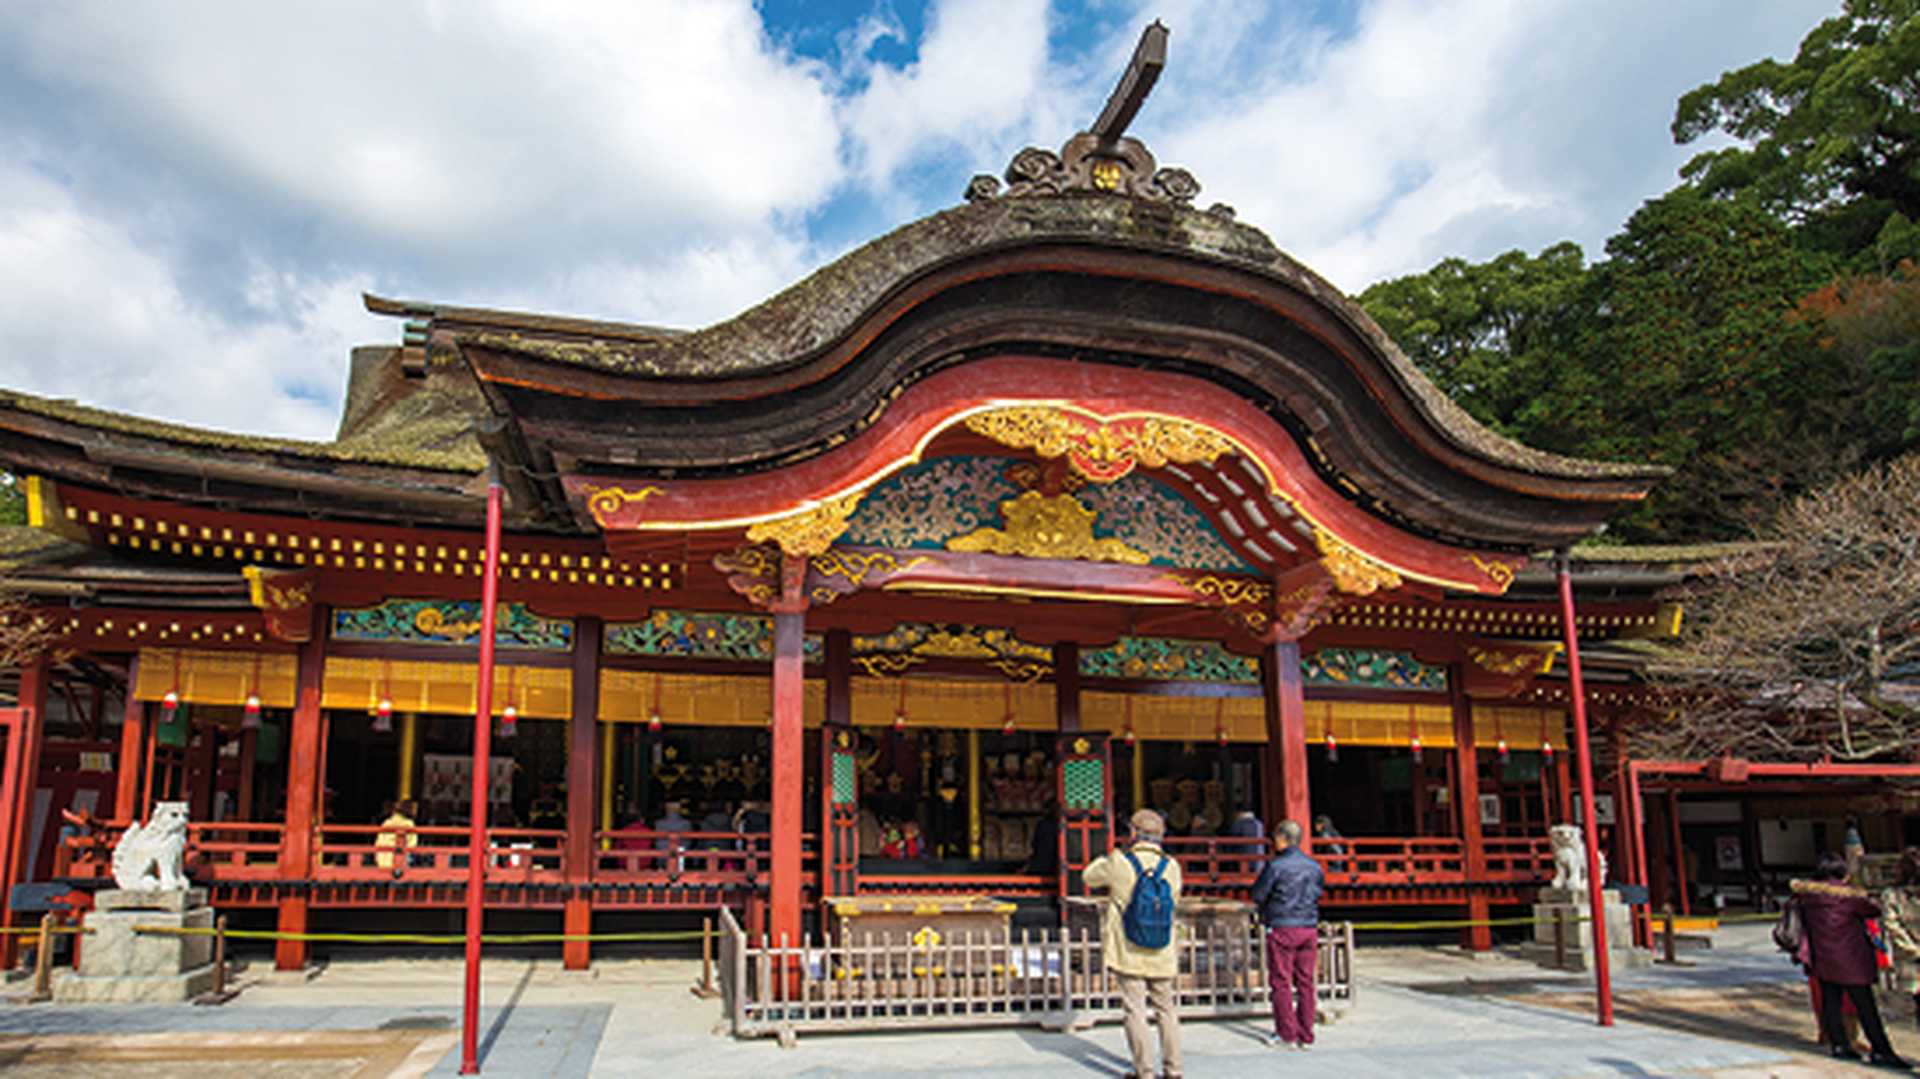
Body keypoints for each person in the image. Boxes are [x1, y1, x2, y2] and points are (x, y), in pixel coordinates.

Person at [1084, 809, 1184, 1079]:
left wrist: (1108, 856)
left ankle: (1145, 1070)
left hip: (1128, 947)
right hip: (1161, 947)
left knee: (1135, 1010)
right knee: (1166, 1009)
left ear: (1132, 834)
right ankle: (1174, 1069)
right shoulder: (1172, 866)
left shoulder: (1120, 862)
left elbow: (1089, 877)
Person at [1793, 851, 1908, 1065]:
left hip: (1822, 956)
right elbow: (1872, 910)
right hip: (1850, 956)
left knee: (1831, 1002)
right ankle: (1881, 1049)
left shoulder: (1807, 895)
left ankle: (1839, 1044)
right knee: (1865, 1005)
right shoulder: (1847, 895)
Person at [1251, 818, 1325, 1050]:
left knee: (1281, 981)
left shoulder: (1275, 866)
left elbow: (1259, 894)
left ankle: (1286, 1033)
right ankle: (1306, 1033)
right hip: (1308, 926)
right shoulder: (1314, 866)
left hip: (1283, 925)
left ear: (1282, 839)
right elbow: (1318, 891)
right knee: (1306, 982)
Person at [1879, 847, 1920, 1031]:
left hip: (1910, 954)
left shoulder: (1891, 894)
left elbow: (1892, 926)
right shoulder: (1893, 895)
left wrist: (1910, 947)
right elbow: (1891, 925)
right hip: (1912, 957)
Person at [374, 799, 418, 877]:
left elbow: (378, 842)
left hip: (381, 861)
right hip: (399, 863)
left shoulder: (387, 822)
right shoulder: (408, 823)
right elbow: (412, 845)